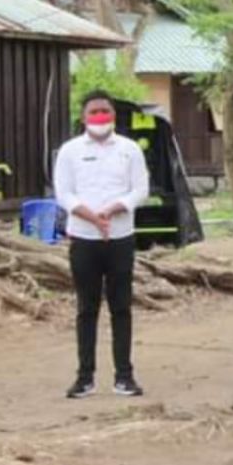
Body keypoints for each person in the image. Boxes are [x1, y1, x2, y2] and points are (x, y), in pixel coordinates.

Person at [54, 90, 150, 399]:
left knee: (121, 307)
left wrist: (113, 209)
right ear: (83, 117)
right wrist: (92, 217)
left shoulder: (129, 149)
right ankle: (85, 377)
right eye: (93, 112)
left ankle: (124, 375)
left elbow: (140, 190)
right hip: (84, 238)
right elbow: (64, 194)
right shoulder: (69, 151)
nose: (99, 117)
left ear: (113, 116)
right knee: (87, 308)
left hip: (121, 238)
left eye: (104, 112)